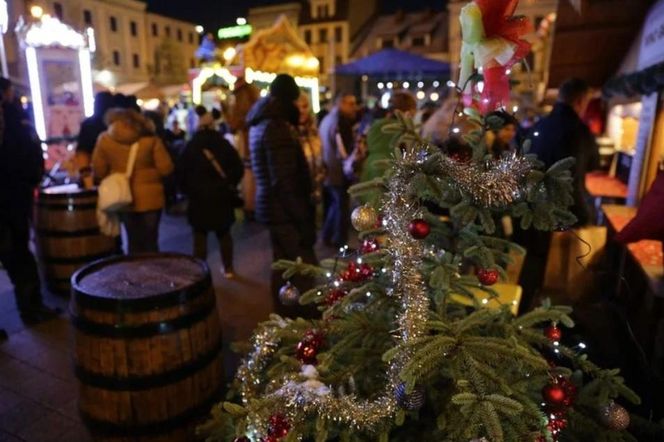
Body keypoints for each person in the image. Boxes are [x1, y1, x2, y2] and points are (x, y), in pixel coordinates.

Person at [514, 78, 600, 310]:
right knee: (568, 267)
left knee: (534, 262)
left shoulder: (538, 127)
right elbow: (593, 165)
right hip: (568, 208)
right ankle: (561, 311)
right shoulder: (581, 131)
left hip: (534, 206)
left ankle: (525, 307)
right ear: (581, 101)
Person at [247, 74, 317, 317]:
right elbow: (284, 180)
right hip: (285, 210)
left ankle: (284, 317)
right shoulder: (276, 126)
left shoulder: (262, 121)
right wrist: (302, 217)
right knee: (302, 267)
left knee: (283, 267)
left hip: (273, 207)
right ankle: (305, 322)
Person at [0, 78, 60, 325]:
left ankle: (32, 307)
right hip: (11, 198)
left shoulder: (14, 118)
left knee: (18, 255)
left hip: (12, 196)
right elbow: (25, 155)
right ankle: (31, 308)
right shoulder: (14, 118)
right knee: (18, 255)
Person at [92, 108, 174, 254]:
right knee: (151, 241)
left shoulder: (104, 140)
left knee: (133, 240)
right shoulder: (151, 140)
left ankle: (135, 273)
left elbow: (99, 170)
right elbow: (166, 168)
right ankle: (153, 273)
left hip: (124, 197)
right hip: (151, 198)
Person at [179, 109, 243, 277]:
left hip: (198, 198)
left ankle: (200, 272)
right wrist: (229, 183)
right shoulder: (222, 143)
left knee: (200, 236)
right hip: (221, 195)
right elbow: (237, 167)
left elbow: (181, 173)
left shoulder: (191, 145)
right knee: (224, 234)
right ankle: (228, 268)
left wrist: (189, 191)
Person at [319, 92, 358, 247]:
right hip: (338, 170)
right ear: (340, 103)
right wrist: (350, 164)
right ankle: (339, 241)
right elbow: (343, 150)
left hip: (329, 168)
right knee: (341, 206)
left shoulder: (327, 119)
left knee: (335, 205)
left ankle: (327, 236)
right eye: (350, 104)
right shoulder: (340, 122)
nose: (354, 108)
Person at [361, 90, 417, 185]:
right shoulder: (405, 130)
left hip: (370, 168)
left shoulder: (375, 124)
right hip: (392, 172)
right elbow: (409, 156)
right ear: (410, 111)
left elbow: (363, 146)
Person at [227, 76, 260, 222]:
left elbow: (233, 125)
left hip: (246, 145)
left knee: (248, 176)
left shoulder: (240, 102)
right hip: (257, 142)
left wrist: (225, 110)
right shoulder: (256, 101)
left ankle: (250, 207)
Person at [297, 92, 324, 203]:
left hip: (314, 187)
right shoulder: (290, 132)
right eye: (298, 107)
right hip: (298, 189)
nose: (302, 111)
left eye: (305, 106)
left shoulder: (313, 131)